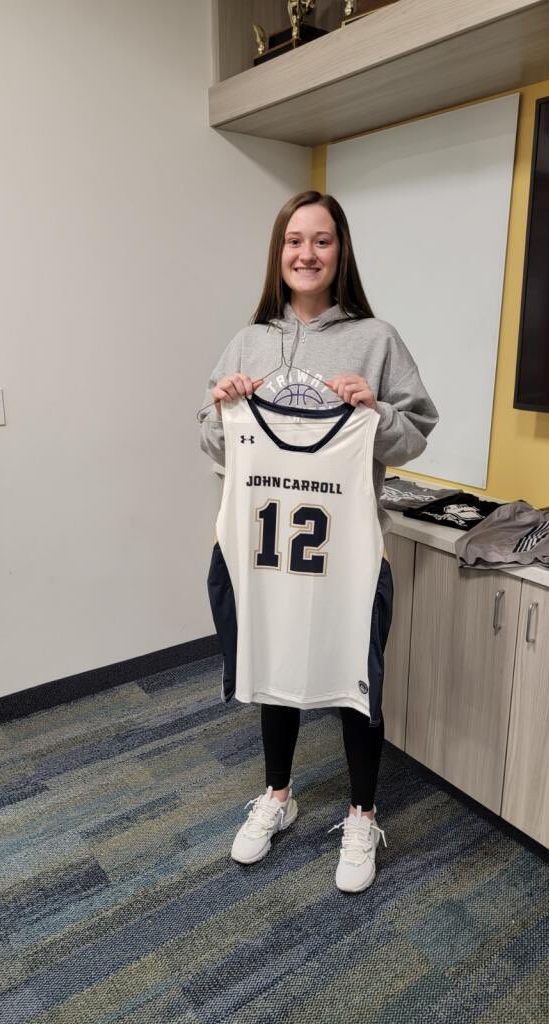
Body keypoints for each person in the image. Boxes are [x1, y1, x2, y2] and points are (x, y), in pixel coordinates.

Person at [200, 190, 438, 892]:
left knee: (354, 679)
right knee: (274, 665)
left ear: (341, 252)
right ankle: (278, 795)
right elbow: (213, 445)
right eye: (294, 240)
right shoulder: (246, 341)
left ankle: (363, 812)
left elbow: (417, 429)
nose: (307, 253)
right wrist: (223, 405)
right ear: (280, 253)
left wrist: (379, 409)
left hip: (350, 549)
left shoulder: (377, 338)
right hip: (270, 546)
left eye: (322, 240)